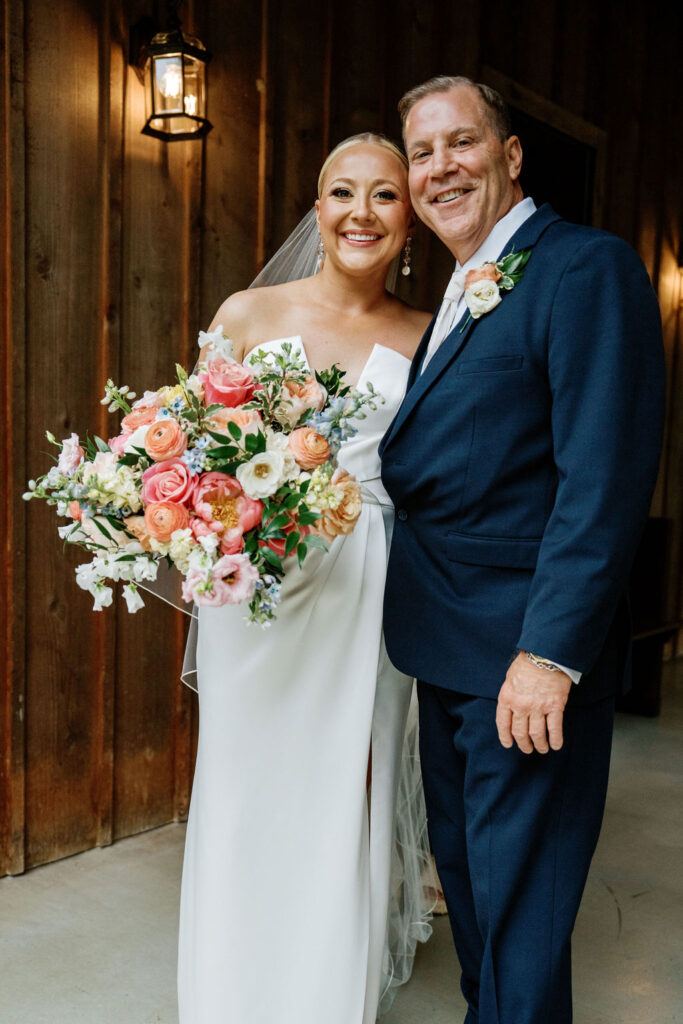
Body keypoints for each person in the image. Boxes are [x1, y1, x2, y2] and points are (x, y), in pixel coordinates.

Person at [380, 76, 665, 1024]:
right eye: (421, 153)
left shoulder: (584, 269)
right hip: (442, 647)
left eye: (462, 144)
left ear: (509, 157)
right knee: (471, 889)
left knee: (524, 908)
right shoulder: (458, 289)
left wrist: (548, 656)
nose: (439, 169)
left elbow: (602, 480)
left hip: (519, 657)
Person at [177, 134, 434, 1024]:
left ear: (413, 220)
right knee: (247, 791)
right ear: (315, 207)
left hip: (368, 583)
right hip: (260, 590)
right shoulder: (248, 313)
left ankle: (330, 1000)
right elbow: (196, 461)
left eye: (385, 196)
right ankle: (226, 996)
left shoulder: (428, 336)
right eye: (341, 192)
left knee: (341, 794)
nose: (361, 213)